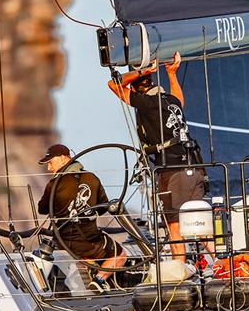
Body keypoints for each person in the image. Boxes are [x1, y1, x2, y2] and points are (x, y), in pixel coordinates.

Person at [107, 52, 207, 261]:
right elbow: (180, 99)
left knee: (174, 227)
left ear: (136, 88)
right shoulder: (168, 100)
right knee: (199, 221)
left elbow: (113, 84)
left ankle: (180, 269)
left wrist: (142, 71)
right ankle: (221, 263)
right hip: (195, 168)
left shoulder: (147, 103)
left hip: (173, 172)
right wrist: (171, 74)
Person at [37, 144, 127, 293]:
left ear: (63, 158)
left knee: (83, 249)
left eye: (50, 163)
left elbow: (42, 209)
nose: (49, 168)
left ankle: (92, 274)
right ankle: (99, 280)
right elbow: (104, 206)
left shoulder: (53, 184)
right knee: (120, 255)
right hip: (89, 241)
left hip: (62, 241)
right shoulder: (91, 178)